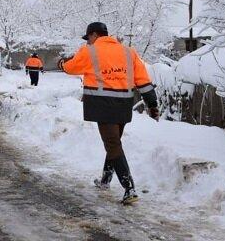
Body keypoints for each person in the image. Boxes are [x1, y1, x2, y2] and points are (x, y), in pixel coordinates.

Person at [58, 22, 159, 205]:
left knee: (112, 144)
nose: (88, 41)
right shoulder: (130, 52)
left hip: (102, 104)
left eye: (88, 37)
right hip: (123, 105)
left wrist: (61, 64)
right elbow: (143, 81)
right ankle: (105, 180)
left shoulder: (89, 51)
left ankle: (130, 189)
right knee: (114, 143)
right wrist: (153, 105)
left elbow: (71, 68)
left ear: (94, 35)